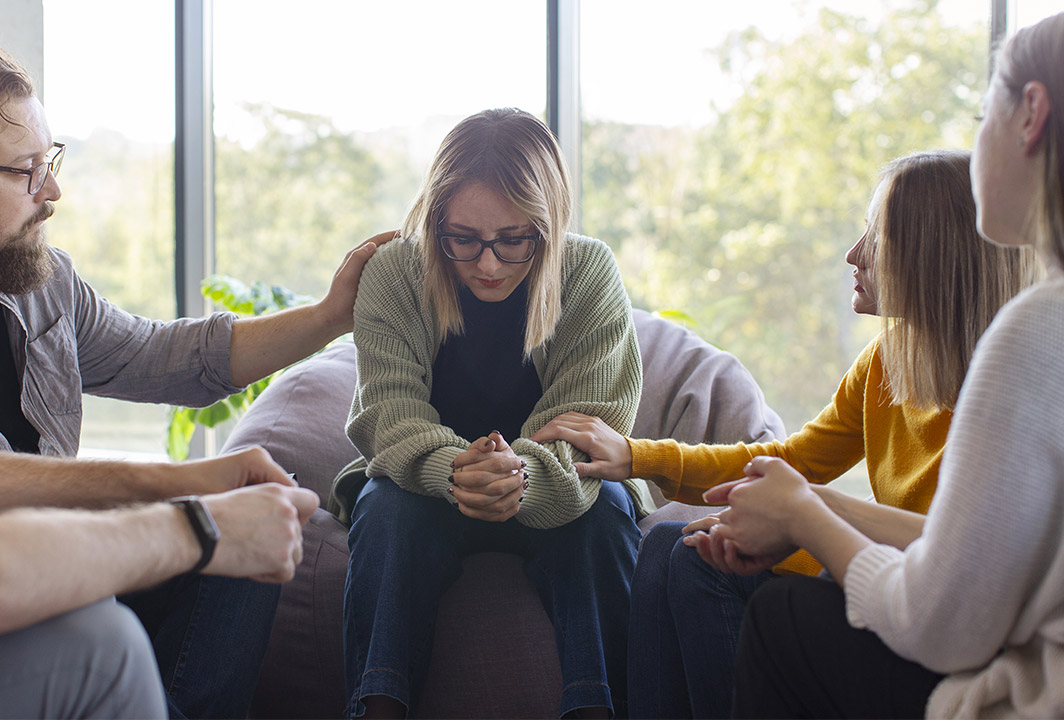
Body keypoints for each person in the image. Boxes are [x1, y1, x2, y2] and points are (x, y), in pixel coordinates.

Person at [0, 43, 388, 720]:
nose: (53, 191)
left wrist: (329, 317)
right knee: (98, 622)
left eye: (51, 162)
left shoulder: (28, 276)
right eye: (25, 172)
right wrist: (187, 526)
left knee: (225, 527)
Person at [532, 149, 1038, 718]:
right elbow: (790, 461)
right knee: (672, 546)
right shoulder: (885, 364)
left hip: (932, 609)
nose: (854, 255)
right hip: (878, 576)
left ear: (931, 257)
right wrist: (635, 456)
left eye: (877, 237)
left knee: (699, 565)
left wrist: (803, 512)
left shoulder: (1012, 386)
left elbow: (968, 557)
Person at [696, 12, 1063, 718]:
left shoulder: (1036, 333)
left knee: (780, 621)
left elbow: (944, 624)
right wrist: (810, 503)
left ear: (1031, 117)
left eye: (986, 110)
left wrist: (806, 514)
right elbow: (981, 560)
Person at [329, 108, 645, 719]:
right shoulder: (396, 271)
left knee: (604, 511)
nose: (488, 263)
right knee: (386, 509)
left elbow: (588, 426)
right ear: (434, 219)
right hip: (424, 488)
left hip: (557, 488)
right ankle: (376, 707)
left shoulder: (589, 273)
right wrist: (453, 469)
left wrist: (519, 477)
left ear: (549, 226)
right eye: (464, 239)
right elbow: (388, 414)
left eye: (514, 240)